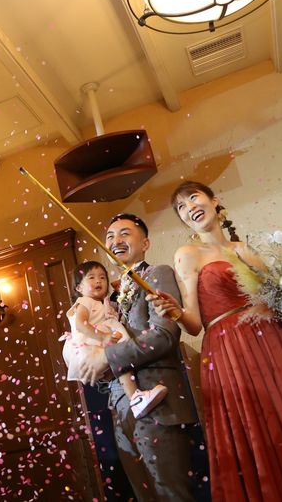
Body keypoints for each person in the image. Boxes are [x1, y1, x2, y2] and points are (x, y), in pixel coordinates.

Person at [147, 181, 282, 501]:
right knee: (259, 427)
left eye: (193, 198)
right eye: (181, 207)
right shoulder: (188, 254)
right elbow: (194, 325)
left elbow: (273, 297)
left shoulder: (245, 249)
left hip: (273, 341)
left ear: (214, 200)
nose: (189, 208)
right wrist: (175, 312)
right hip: (231, 350)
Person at [79, 213, 197, 501]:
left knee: (172, 493)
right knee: (144, 494)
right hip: (120, 409)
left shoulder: (158, 273)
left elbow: (164, 335)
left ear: (145, 243)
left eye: (124, 233)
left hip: (159, 401)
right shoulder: (109, 297)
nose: (115, 241)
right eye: (110, 236)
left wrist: (107, 356)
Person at [63, 260, 168, 419]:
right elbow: (80, 324)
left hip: (97, 345)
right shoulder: (84, 301)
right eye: (91, 277)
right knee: (119, 358)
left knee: (120, 363)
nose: (98, 281)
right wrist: (103, 337)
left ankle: (135, 398)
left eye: (102, 277)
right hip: (91, 344)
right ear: (79, 288)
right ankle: (135, 397)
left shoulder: (101, 303)